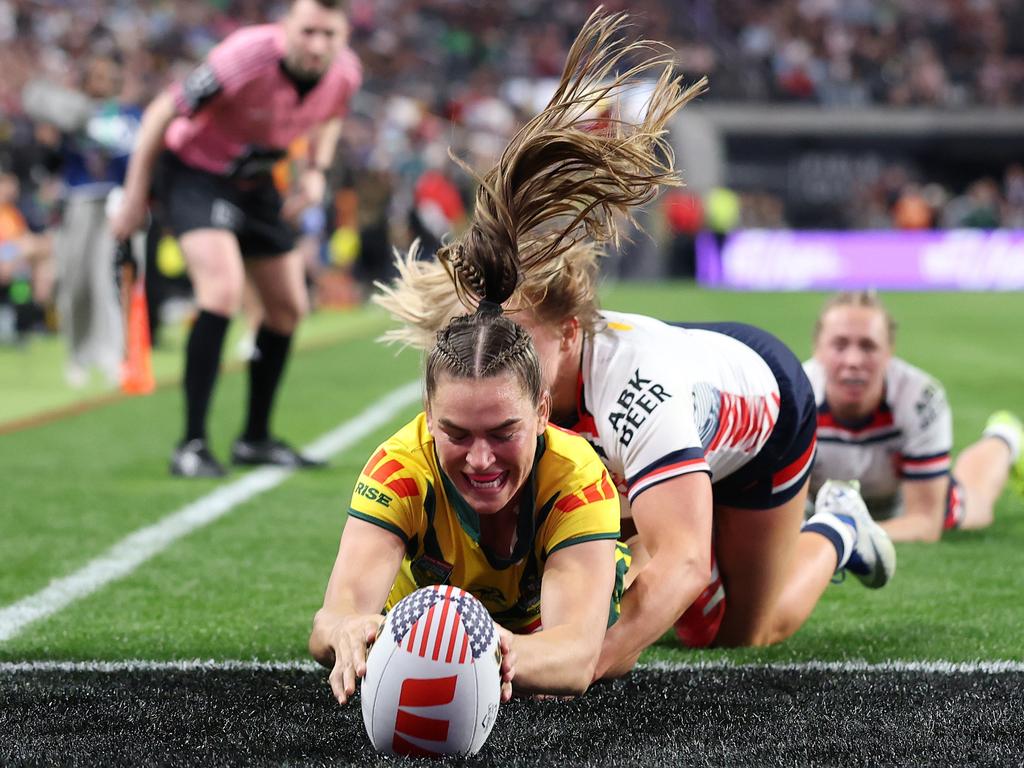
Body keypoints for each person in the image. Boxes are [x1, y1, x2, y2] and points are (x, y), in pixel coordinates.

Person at [373, 10, 896, 677]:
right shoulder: (502, 377)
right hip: (670, 404)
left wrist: (586, 666)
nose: (502, 350)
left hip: (763, 414)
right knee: (628, 591)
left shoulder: (633, 390)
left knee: (736, 634)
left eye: (523, 339)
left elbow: (678, 562)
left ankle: (838, 527)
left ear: (568, 332)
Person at [309, 298, 628, 702]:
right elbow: (332, 619)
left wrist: (474, 651)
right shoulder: (400, 470)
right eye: (456, 434)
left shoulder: (577, 479)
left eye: (503, 433)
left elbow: (575, 659)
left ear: (542, 412)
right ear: (428, 415)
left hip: (527, 635)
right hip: (413, 634)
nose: (480, 461)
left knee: (622, 653)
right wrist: (346, 631)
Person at [110, 0, 361, 477]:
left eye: (329, 35)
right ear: (285, 27)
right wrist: (134, 195)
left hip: (258, 179)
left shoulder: (345, 73)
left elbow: (332, 114)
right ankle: (191, 444)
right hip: (193, 172)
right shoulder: (245, 56)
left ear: (343, 36)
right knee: (221, 292)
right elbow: (164, 110)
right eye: (308, 31)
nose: (318, 45)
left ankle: (255, 438)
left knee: (288, 308)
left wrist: (316, 172)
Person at [804, 290, 1024, 542]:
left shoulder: (920, 398)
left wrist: (845, 536)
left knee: (978, 509)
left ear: (889, 352)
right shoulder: (794, 399)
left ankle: (1004, 438)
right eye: (839, 345)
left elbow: (925, 523)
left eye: (868, 346)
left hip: (902, 500)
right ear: (818, 349)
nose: (853, 360)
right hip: (819, 504)